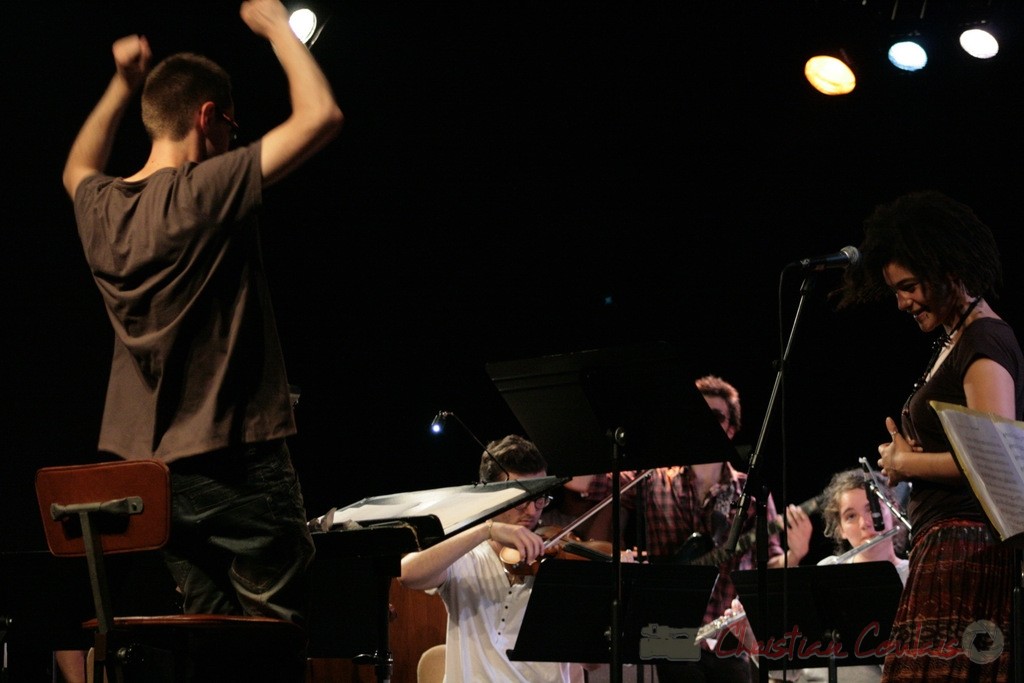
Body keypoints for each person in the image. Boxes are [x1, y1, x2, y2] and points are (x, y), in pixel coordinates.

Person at [61, 0, 343, 644]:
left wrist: (120, 83)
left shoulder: (102, 210)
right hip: (236, 463)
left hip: (159, 482)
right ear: (207, 117)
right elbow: (321, 115)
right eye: (230, 130)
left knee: (207, 643)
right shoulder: (203, 190)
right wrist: (274, 26)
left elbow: (76, 167)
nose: (231, 144)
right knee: (273, 638)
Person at [836, 189, 1019, 682]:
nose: (901, 302)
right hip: (945, 546)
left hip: (966, 549)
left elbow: (996, 461)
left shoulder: (983, 339)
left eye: (910, 286)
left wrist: (904, 464)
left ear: (948, 270)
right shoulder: (959, 338)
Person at [568, 374, 814, 683]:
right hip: (666, 635)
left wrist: (797, 552)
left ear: (731, 429)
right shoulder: (653, 477)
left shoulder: (750, 491)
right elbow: (586, 482)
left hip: (729, 638)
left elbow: (770, 569)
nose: (706, 425)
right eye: (699, 416)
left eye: (716, 417)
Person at [398, 434, 580, 683]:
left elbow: (590, 662)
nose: (531, 511)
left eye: (540, 498)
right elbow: (408, 574)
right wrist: (486, 529)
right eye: (520, 499)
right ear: (490, 496)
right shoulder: (467, 555)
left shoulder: (558, 560)